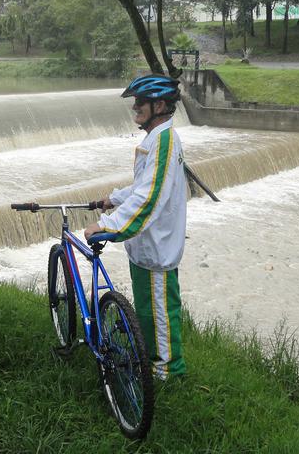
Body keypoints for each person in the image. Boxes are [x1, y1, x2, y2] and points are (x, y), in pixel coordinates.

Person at [84, 74, 188, 381]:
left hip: (157, 246)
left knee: (160, 310)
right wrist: (113, 199)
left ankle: (168, 372)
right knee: (148, 311)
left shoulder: (164, 140)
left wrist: (108, 225)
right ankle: (152, 363)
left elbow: (149, 197)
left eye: (139, 102)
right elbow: (145, 185)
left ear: (159, 105)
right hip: (148, 245)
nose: (135, 108)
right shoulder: (157, 139)